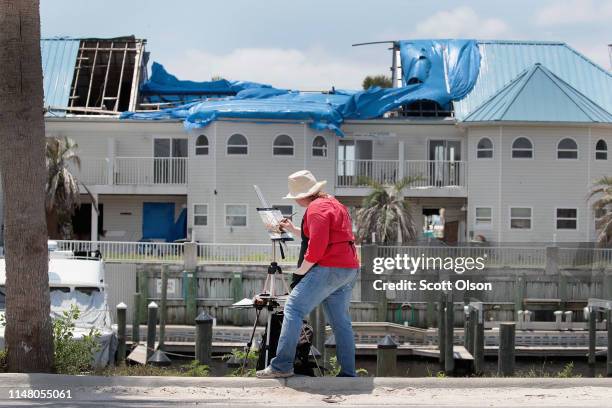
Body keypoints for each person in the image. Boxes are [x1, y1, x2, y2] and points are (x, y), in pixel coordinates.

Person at [256, 170, 360, 378]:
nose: (296, 202)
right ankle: (349, 373)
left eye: (296, 197)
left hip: (329, 268)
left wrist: (300, 271)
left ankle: (282, 366)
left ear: (304, 195)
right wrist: (295, 229)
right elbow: (329, 236)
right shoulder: (334, 203)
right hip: (348, 268)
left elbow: (317, 247)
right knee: (340, 322)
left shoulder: (315, 209)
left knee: (293, 308)